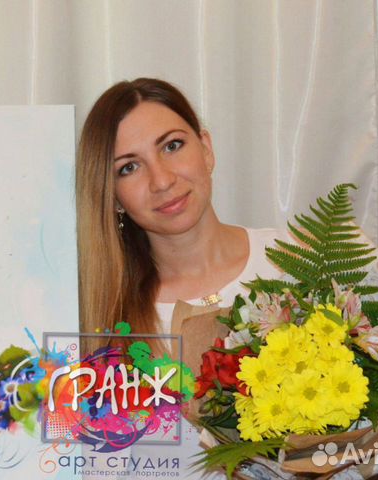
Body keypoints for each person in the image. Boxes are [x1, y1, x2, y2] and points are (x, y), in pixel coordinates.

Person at [76, 78, 294, 479]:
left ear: (206, 148)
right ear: (112, 196)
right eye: (129, 167)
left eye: (172, 146)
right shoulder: (100, 327)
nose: (161, 181)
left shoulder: (299, 257)